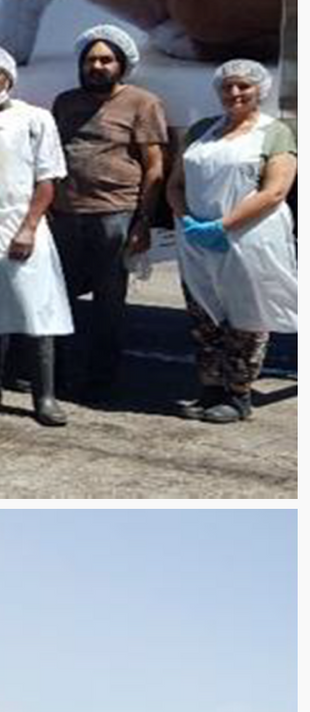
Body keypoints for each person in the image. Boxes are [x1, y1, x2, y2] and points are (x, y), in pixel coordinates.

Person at [166, 59, 297, 423]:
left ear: (259, 90)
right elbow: (176, 184)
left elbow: (274, 192)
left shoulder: (276, 133)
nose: (235, 93)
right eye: (227, 86)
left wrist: (223, 226)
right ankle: (209, 390)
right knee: (204, 314)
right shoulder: (201, 130)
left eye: (244, 86)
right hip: (195, 237)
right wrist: (187, 220)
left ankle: (238, 396)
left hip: (249, 237)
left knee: (247, 314)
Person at [50, 23, 168, 402]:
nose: (97, 66)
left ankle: (101, 381)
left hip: (114, 214)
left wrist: (143, 222)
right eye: (91, 59)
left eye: (106, 59)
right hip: (66, 213)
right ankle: (57, 375)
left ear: (122, 64)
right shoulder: (65, 102)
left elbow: (154, 166)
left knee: (108, 302)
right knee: (58, 297)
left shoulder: (142, 102)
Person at [0, 46, 73, 426]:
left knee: (36, 309)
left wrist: (28, 228)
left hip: (22, 222)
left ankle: (45, 397)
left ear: (9, 78)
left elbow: (47, 181)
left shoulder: (35, 118)